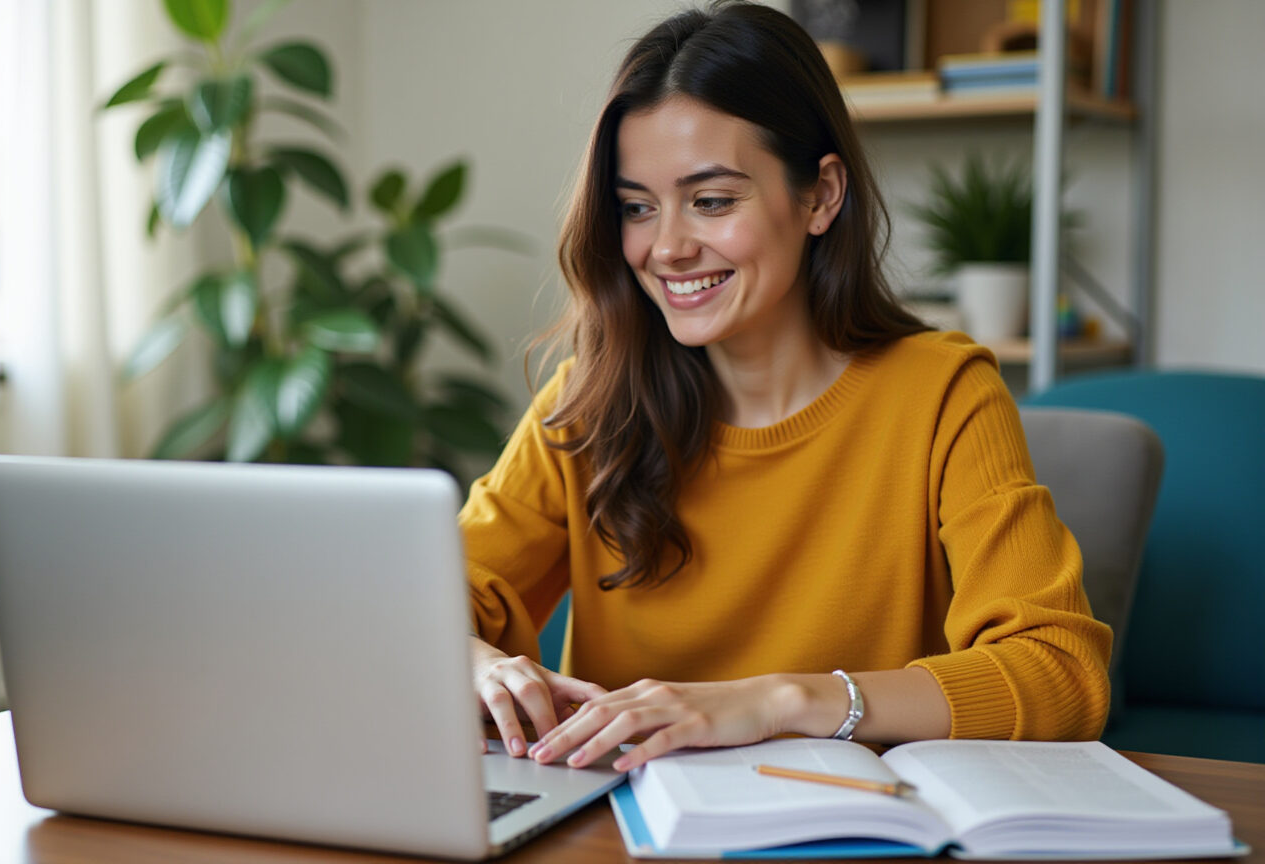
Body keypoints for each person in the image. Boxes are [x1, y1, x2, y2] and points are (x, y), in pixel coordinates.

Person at [461, 1, 1112, 775]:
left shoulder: (943, 393)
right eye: (637, 207)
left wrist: (777, 703)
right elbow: (420, 601)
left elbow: (1060, 671)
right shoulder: (591, 401)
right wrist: (471, 663)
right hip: (622, 829)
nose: (665, 247)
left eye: (711, 200)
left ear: (820, 196)